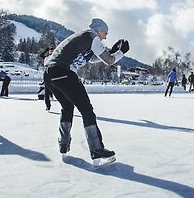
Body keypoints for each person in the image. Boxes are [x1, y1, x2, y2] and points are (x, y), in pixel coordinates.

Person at [44, 18, 129, 166]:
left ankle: (63, 144)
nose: (106, 36)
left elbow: (94, 58)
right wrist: (121, 53)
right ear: (98, 30)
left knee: (67, 107)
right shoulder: (92, 37)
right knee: (87, 110)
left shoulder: (85, 39)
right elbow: (108, 61)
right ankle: (97, 150)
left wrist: (112, 50)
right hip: (64, 72)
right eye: (105, 33)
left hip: (50, 74)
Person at [39, 47, 55, 111]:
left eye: (52, 51)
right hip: (47, 74)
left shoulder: (56, 57)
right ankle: (48, 106)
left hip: (54, 74)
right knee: (46, 92)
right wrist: (46, 50)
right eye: (50, 51)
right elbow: (41, 55)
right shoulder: (46, 57)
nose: (51, 52)